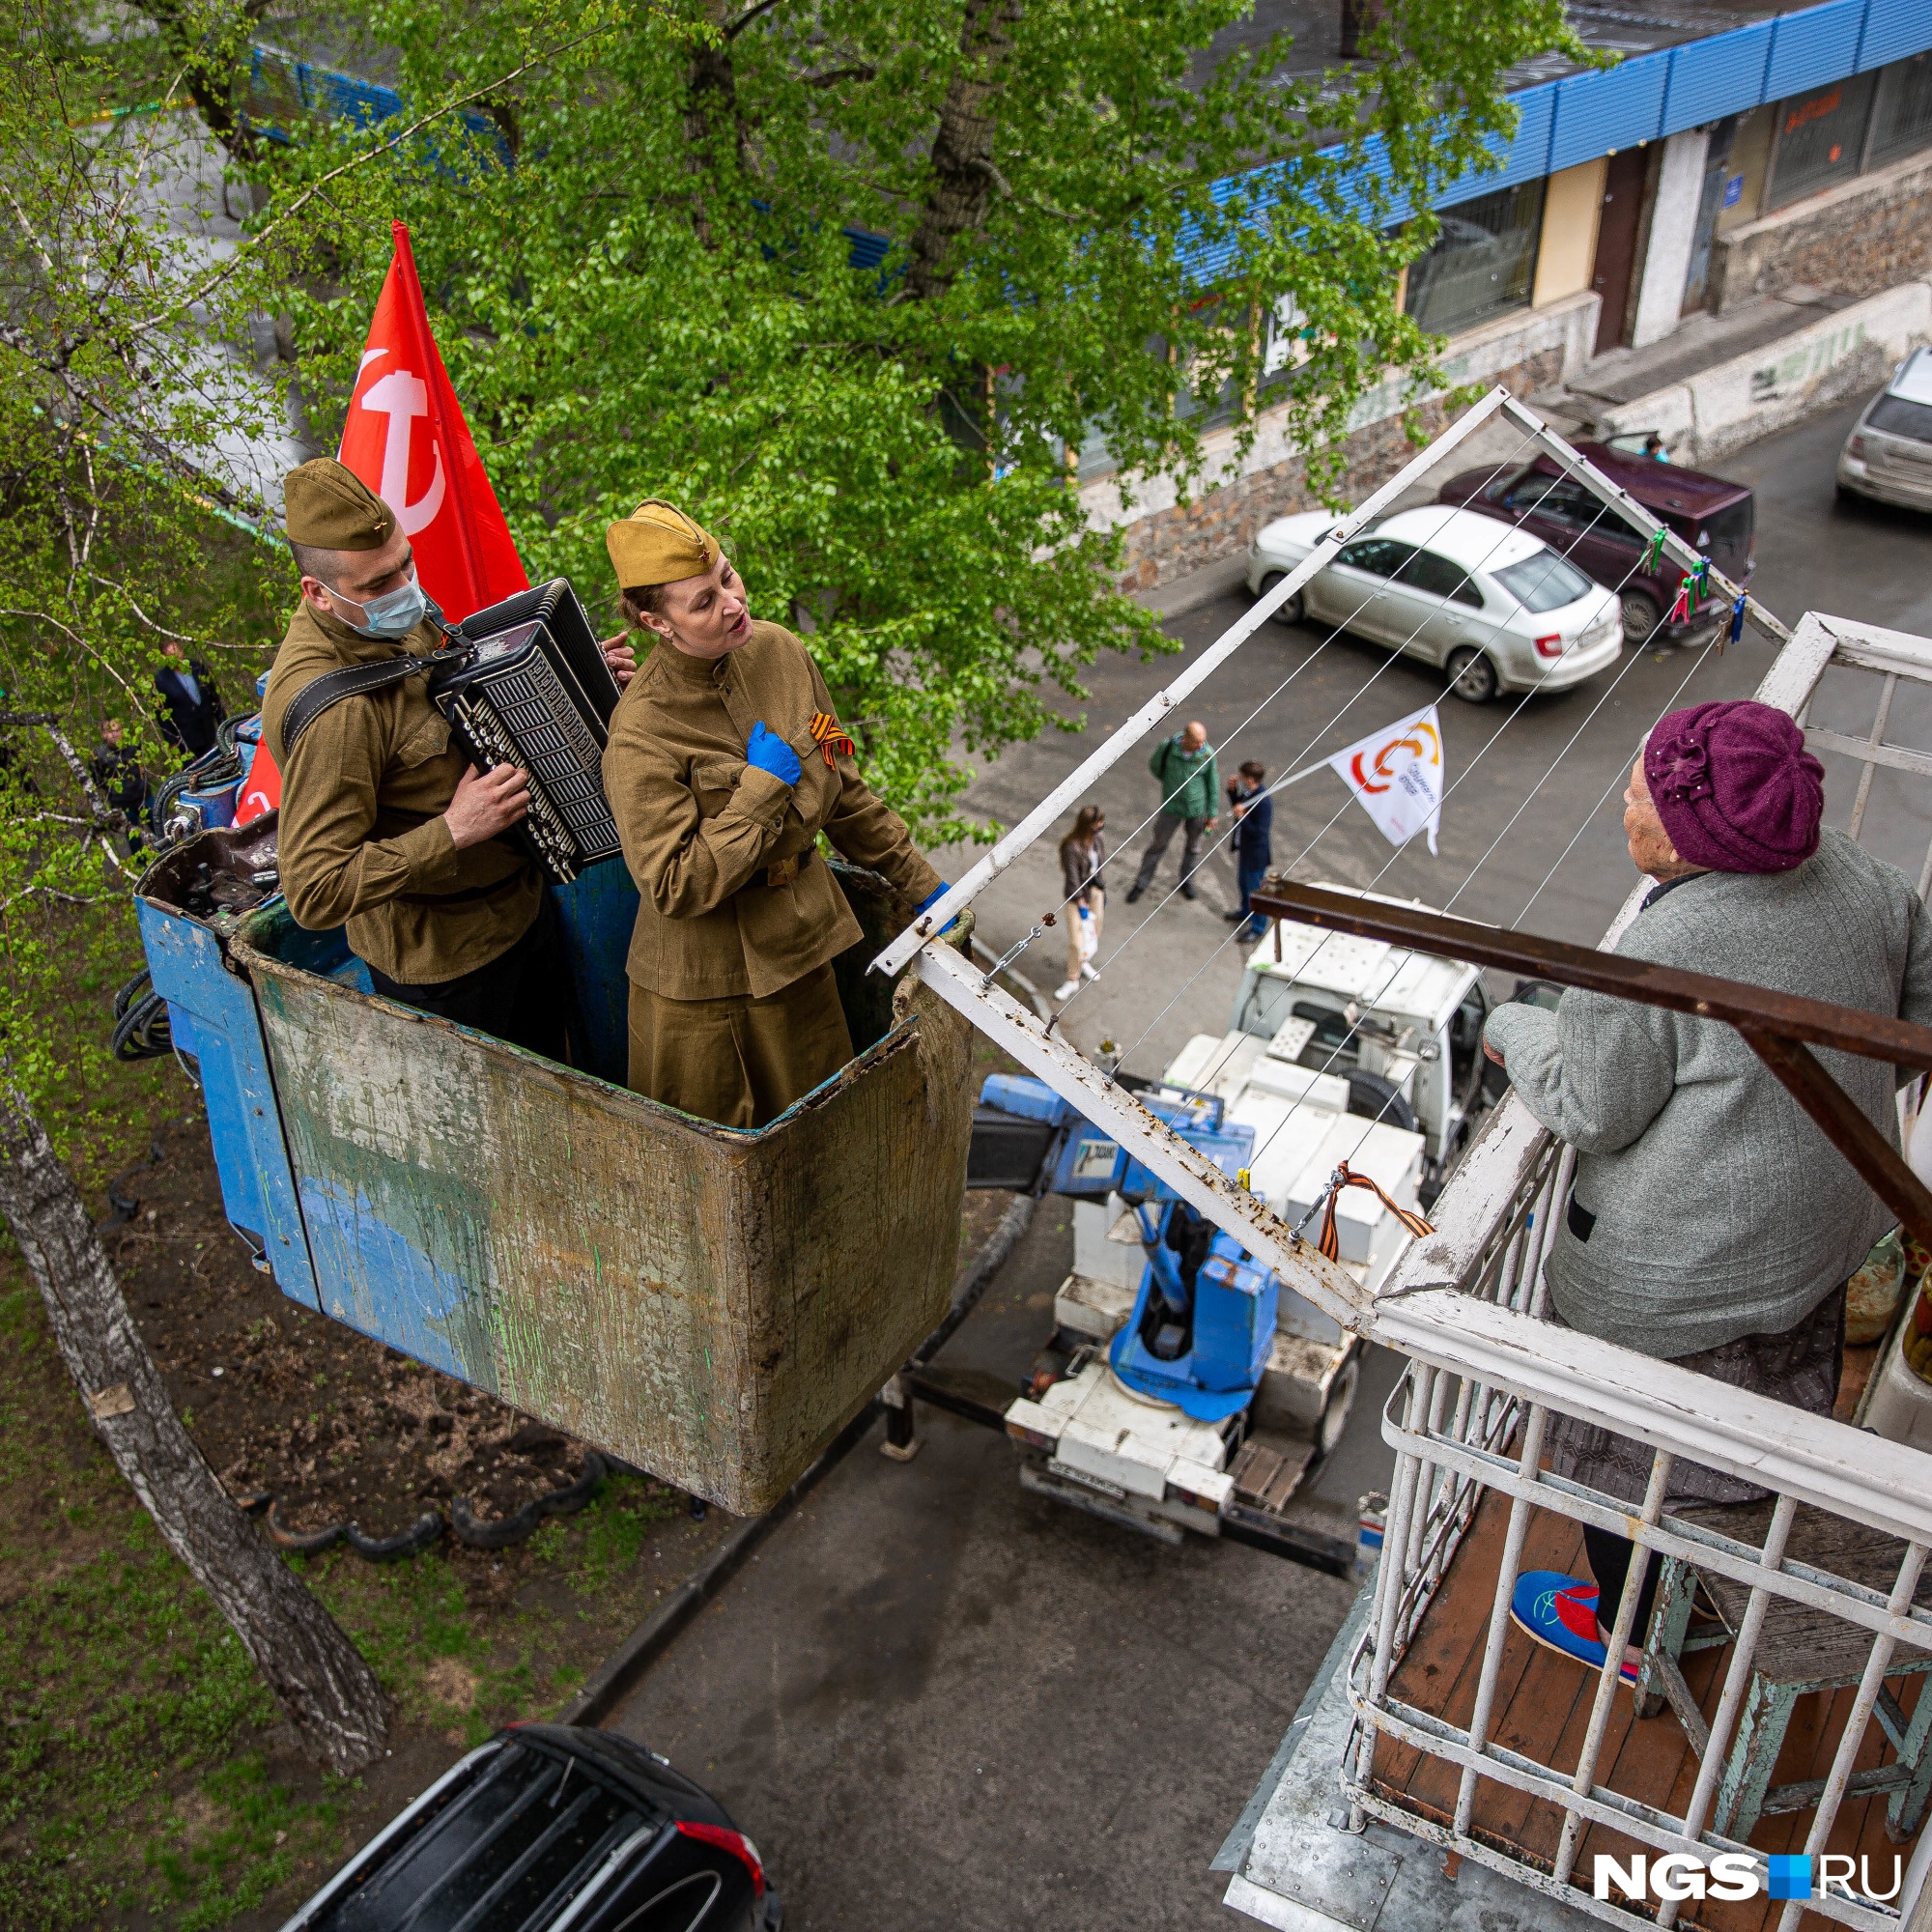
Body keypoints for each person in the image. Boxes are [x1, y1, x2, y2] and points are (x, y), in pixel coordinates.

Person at [1483, 699, 1932, 1686]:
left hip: (1675, 1282)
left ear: (1690, 827)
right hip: (1816, 1240)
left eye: (1638, 791)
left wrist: (1516, 1025)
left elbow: (1588, 1104)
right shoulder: (1860, 875)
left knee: (1625, 1473)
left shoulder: (1662, 948)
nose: (1622, 806)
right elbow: (1917, 1011)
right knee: (1755, 1428)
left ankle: (1627, 1630)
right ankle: (1717, 1563)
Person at [600, 499, 945, 1129]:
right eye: (702, 602)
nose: (732, 603)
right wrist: (759, 789)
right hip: (704, 998)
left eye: (727, 578)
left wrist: (930, 889)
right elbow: (675, 885)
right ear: (656, 622)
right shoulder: (642, 735)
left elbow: (843, 776)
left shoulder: (784, 654)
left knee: (825, 1133)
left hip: (804, 952)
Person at [261, 458, 622, 1060]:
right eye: (377, 584)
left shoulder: (388, 618)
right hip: (450, 968)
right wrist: (453, 831)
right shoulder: (337, 713)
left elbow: (455, 693)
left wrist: (569, 675)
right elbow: (314, 889)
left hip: (520, 907)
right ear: (318, 595)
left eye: (405, 564)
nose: (403, 590)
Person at [1124, 720, 1218, 903]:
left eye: (1203, 741)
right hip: (1171, 806)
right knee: (1158, 844)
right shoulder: (1168, 748)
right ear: (1186, 738)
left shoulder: (1207, 754)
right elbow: (1155, 766)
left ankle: (1187, 881)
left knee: (1193, 847)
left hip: (1196, 808)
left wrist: (1212, 813)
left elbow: (1213, 784)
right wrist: (1170, 784)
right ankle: (1141, 883)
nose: (1201, 745)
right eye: (1197, 742)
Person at [1054, 806, 1106, 1002]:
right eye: (1098, 822)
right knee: (1077, 940)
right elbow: (1072, 876)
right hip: (1078, 898)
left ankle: (1084, 961)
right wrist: (1080, 901)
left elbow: (1100, 866)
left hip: (1095, 892)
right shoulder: (1072, 847)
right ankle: (1072, 979)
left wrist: (1100, 890)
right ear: (1088, 825)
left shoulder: (1098, 840)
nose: (1101, 826)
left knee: (1094, 931)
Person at [1224, 760, 1273, 940]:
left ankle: (1258, 927)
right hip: (1245, 849)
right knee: (1243, 885)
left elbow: (1260, 831)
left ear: (1250, 779)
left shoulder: (1264, 801)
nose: (1241, 778)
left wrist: (1242, 817)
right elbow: (1239, 806)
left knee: (1255, 890)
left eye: (1243, 776)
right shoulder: (1249, 792)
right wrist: (1232, 792)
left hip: (1255, 855)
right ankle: (1246, 911)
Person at [155, 640, 227, 760]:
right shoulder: (162, 681)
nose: (176, 656)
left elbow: (213, 697)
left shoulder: (197, 667)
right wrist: (172, 742)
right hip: (186, 736)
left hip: (207, 728)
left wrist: (223, 722)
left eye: (177, 650)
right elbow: (162, 716)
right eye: (171, 654)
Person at [91, 718, 148, 830]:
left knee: (159, 826)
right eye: (111, 732)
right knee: (134, 838)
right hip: (121, 803)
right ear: (104, 734)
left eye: (117, 730)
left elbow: (143, 765)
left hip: (144, 795)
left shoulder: (132, 745)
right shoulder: (99, 754)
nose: (115, 734)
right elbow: (97, 779)